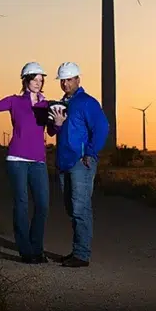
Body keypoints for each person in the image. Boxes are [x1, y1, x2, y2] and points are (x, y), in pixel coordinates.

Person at [0, 62, 53, 264]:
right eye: (35, 79)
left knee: (43, 205)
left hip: (38, 161)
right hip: (17, 159)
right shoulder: (15, 101)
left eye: (41, 80)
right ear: (26, 80)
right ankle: (26, 252)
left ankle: (37, 248)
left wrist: (61, 120)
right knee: (21, 204)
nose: (38, 83)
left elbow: (55, 129)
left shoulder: (46, 105)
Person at [47, 61, 109, 267]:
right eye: (62, 80)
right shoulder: (61, 104)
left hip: (80, 162)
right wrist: (55, 124)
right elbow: (53, 132)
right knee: (71, 208)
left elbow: (102, 128)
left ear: (78, 79)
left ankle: (82, 255)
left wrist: (90, 153)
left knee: (80, 208)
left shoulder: (87, 102)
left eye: (69, 79)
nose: (65, 83)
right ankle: (77, 250)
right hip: (64, 162)